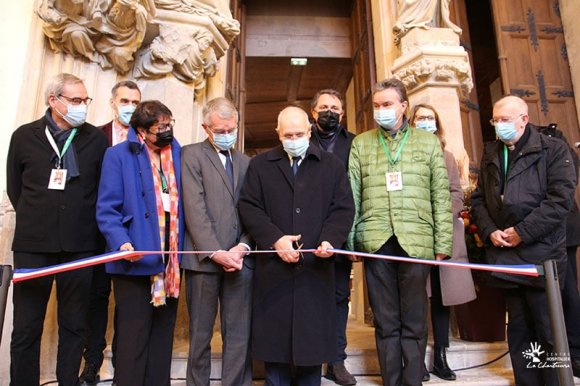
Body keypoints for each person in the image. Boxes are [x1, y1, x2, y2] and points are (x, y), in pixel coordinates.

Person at [238, 106, 355, 386]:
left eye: (299, 133)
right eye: (287, 134)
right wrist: (275, 239)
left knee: (311, 347)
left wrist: (329, 239)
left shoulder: (332, 166)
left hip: (315, 270)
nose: (293, 138)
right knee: (275, 349)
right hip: (273, 271)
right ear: (278, 133)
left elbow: (342, 209)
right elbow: (249, 206)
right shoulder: (260, 165)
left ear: (309, 130)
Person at [347, 78, 453, 386]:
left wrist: (442, 241)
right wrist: (351, 239)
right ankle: (391, 381)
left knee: (415, 319)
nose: (381, 110)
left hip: (416, 239)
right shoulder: (361, 143)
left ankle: (412, 380)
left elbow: (440, 195)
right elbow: (352, 194)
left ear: (403, 106)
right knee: (385, 319)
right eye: (377, 105)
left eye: (387, 104)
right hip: (376, 238)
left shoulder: (427, 142)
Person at [6, 72, 108, 386]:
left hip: (79, 245)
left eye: (85, 100)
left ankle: (67, 381)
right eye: (75, 100)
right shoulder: (24, 135)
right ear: (54, 101)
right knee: (26, 326)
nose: (82, 106)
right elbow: (15, 189)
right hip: (34, 244)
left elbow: (101, 189)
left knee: (74, 324)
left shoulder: (95, 139)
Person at [471, 95, 577, 386]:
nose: (499, 125)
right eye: (495, 120)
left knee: (548, 326)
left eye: (505, 120)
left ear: (524, 120)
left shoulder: (553, 149)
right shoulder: (492, 151)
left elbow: (560, 201)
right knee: (518, 327)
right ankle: (527, 382)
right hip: (506, 253)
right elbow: (479, 199)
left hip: (542, 253)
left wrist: (523, 232)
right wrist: (490, 229)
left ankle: (555, 382)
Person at [96, 100, 184, 386]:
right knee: (133, 336)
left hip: (169, 261)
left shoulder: (178, 154)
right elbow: (107, 208)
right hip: (134, 259)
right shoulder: (118, 155)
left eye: (170, 125)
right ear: (142, 131)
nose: (167, 131)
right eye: (161, 127)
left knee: (162, 335)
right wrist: (121, 242)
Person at [181, 97, 253, 386]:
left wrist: (243, 245)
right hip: (203, 261)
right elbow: (194, 209)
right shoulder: (191, 155)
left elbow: (253, 209)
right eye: (219, 130)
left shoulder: (247, 162)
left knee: (238, 333)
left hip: (240, 260)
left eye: (230, 129)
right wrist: (215, 252)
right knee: (200, 332)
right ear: (205, 128)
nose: (226, 135)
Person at [79, 79, 142, 386]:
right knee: (96, 297)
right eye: (125, 100)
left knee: (127, 301)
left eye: (135, 102)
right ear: (113, 102)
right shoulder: (93, 137)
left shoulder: (144, 139)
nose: (130, 106)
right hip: (96, 233)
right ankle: (92, 362)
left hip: (131, 235)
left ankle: (123, 361)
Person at [409, 103, 477, 382]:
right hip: (414, 234)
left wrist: (440, 218)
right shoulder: (405, 155)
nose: (425, 122)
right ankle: (416, 358)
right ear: (410, 123)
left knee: (440, 296)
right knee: (415, 297)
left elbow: (455, 193)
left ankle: (441, 357)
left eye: (430, 118)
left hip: (444, 233)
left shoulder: (446, 156)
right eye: (420, 118)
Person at [309, 89, 357, 386]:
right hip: (306, 232)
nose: (330, 112)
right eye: (324, 107)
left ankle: (336, 360)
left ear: (343, 113)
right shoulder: (301, 139)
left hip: (340, 231)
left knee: (339, 297)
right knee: (310, 298)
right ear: (313, 113)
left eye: (335, 107)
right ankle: (311, 357)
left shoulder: (356, 144)